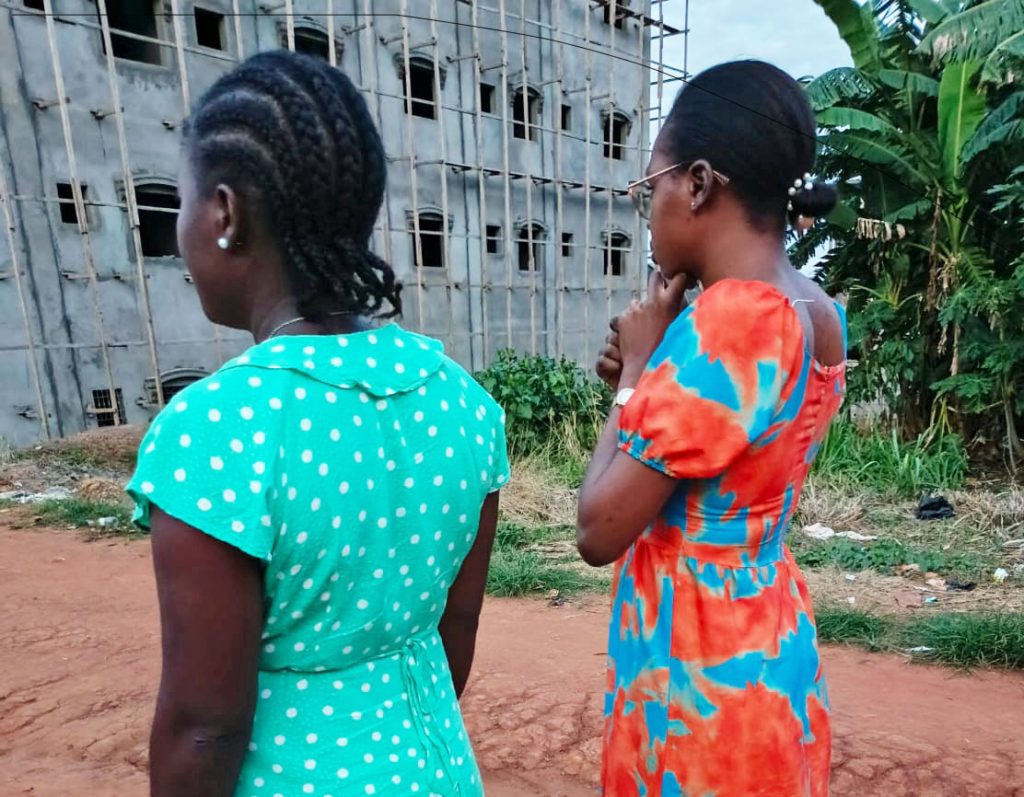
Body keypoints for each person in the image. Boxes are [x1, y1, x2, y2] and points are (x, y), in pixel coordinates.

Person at [126, 51, 509, 797]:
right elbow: (454, 633)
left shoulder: (217, 433)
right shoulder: (462, 403)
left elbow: (204, 728)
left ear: (225, 214)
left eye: (181, 202)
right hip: (436, 771)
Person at [576, 60, 845, 797]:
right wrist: (654, 368)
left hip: (696, 675)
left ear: (697, 184)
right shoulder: (816, 309)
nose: (648, 210)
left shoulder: (730, 321)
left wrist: (635, 375)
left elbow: (598, 528)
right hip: (769, 640)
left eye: (649, 187)